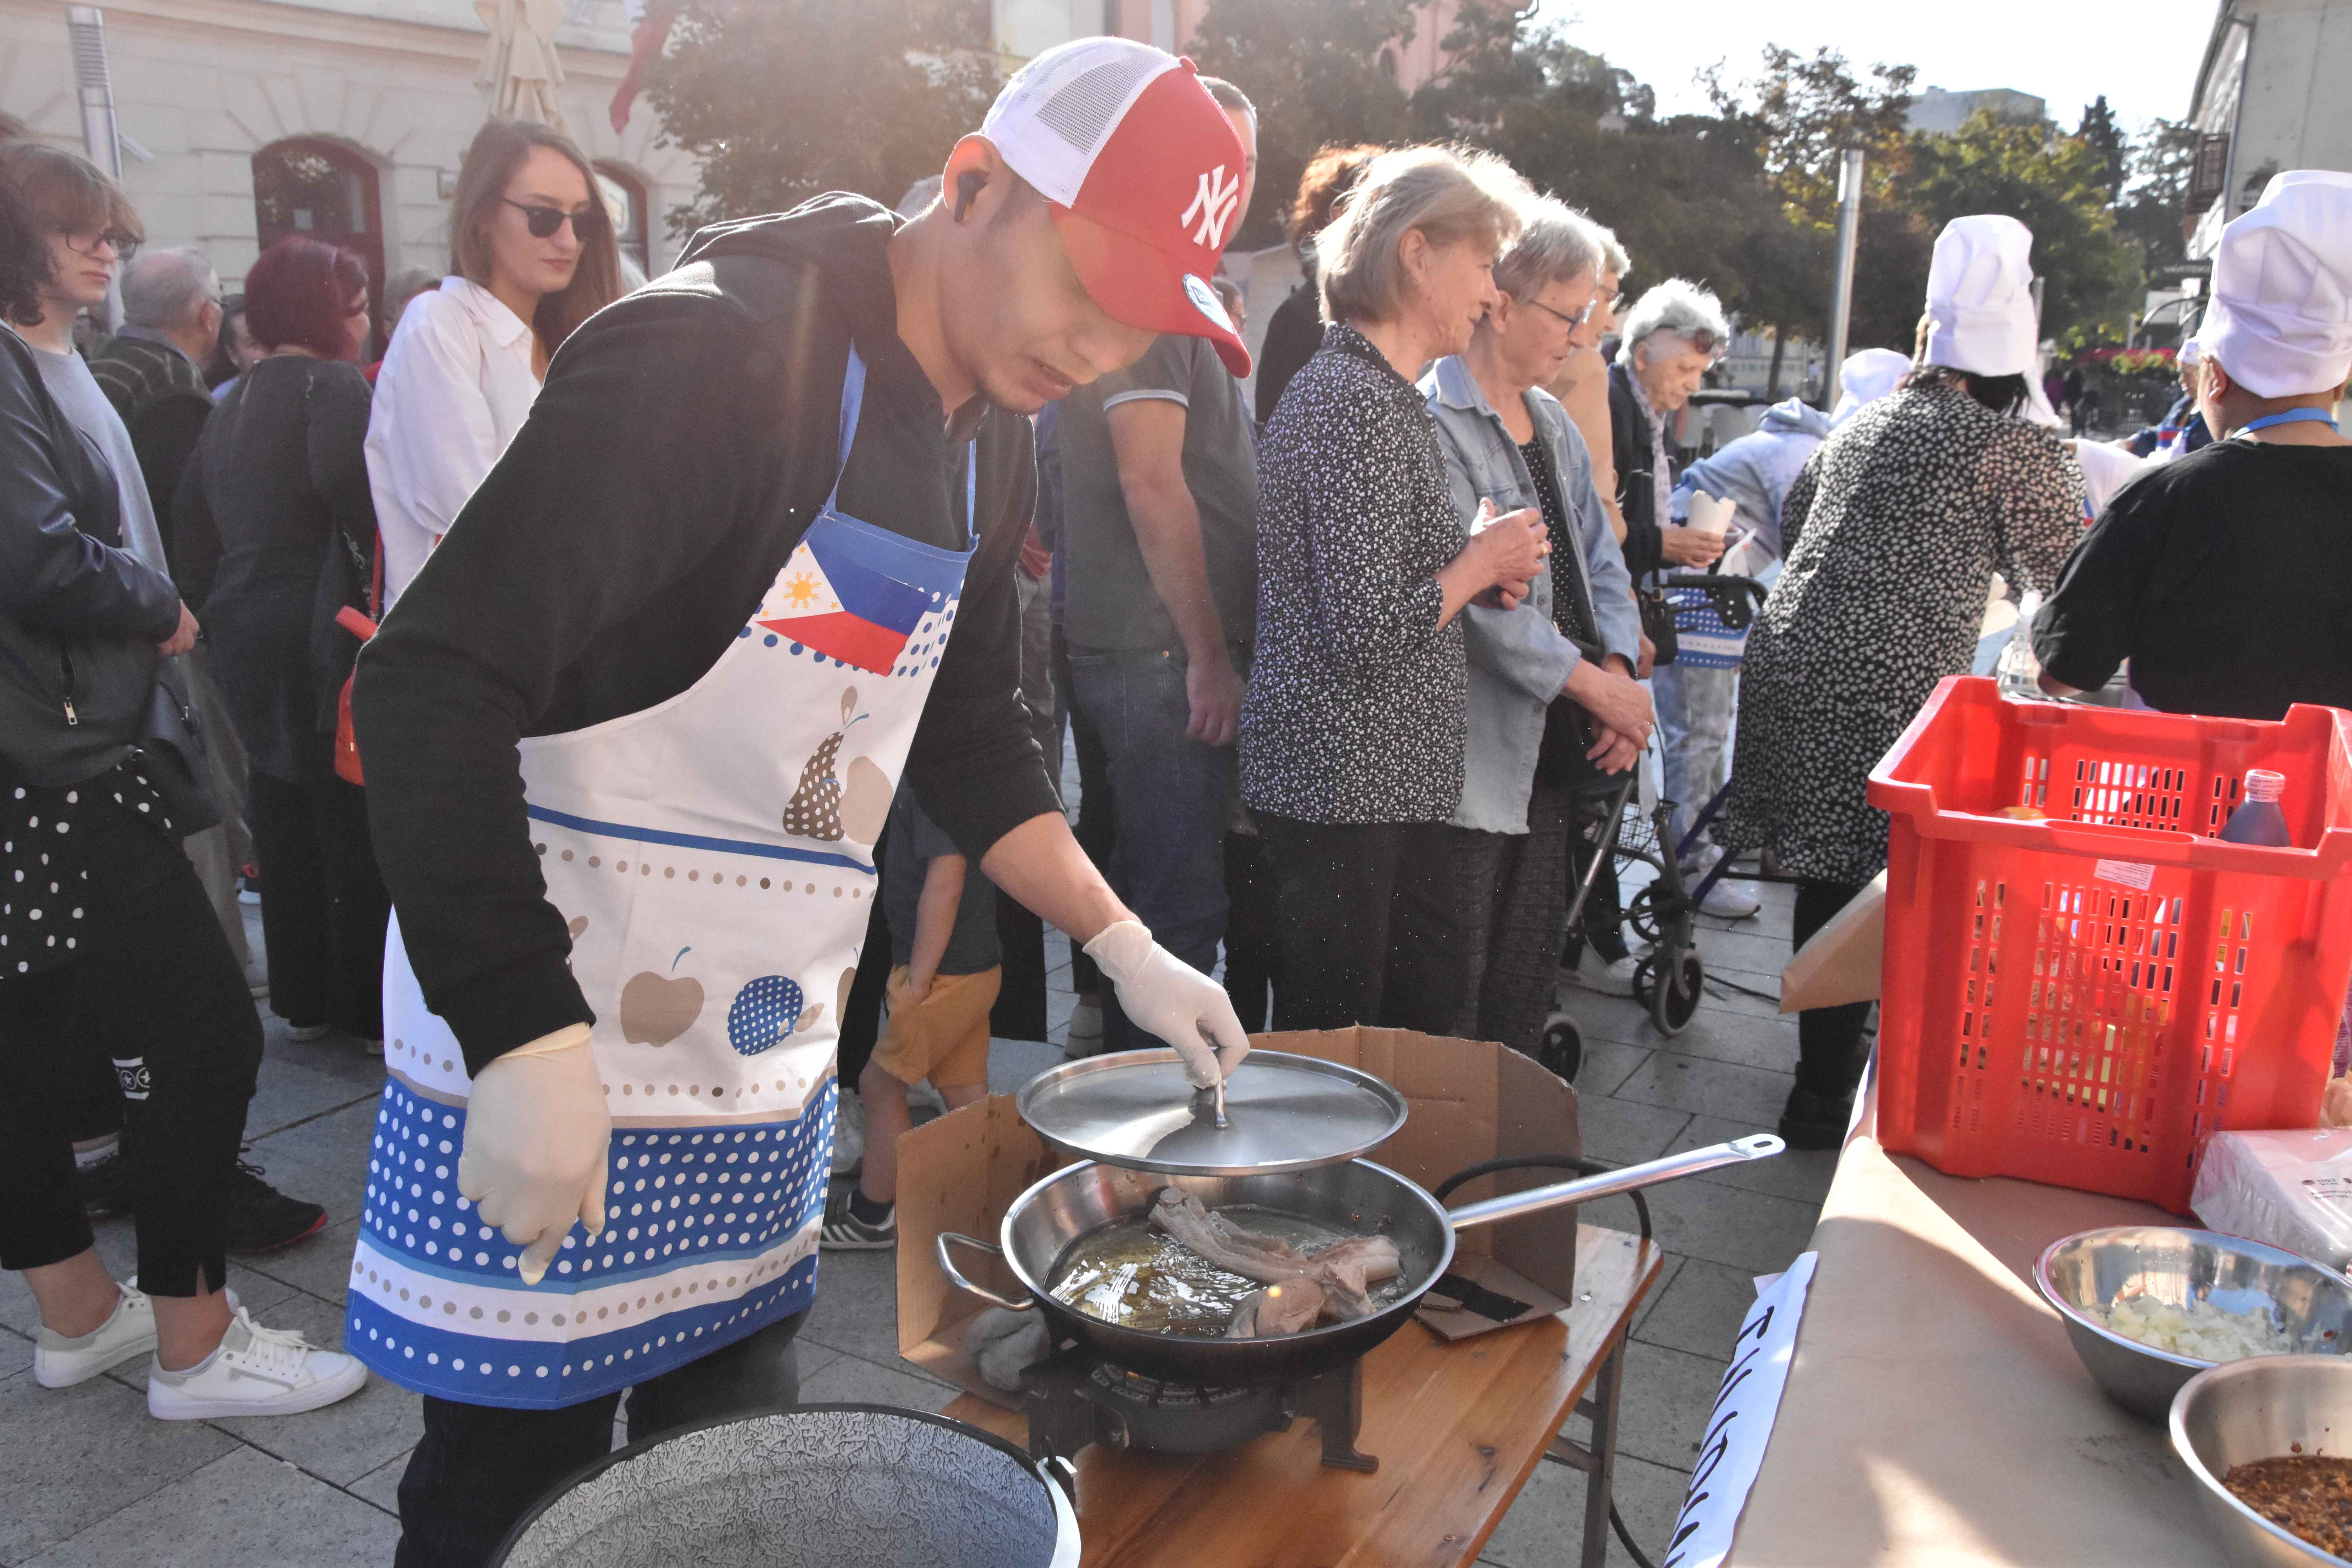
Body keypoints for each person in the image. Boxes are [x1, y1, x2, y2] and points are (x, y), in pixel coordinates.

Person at [347, 38, 1256, 1563]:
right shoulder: (710, 358)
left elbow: (968, 739)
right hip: (547, 1029)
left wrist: (1124, 943)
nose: (1103, 349)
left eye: (1144, 321)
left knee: (729, 1485)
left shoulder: (994, 446)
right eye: (1088, 286)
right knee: (513, 1495)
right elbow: (430, 682)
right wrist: (520, 1035)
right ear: (975, 184)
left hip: (753, 1063)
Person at [0, 165, 366, 1425]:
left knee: (36, 1039)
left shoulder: (52, 364)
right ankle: (196, 1344)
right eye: (73, 227)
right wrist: (157, 605)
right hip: (64, 760)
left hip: (55, 753)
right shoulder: (11, 369)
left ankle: (78, 1315)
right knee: (202, 1031)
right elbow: (34, 553)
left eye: (111, 229)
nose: (104, 246)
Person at [1718, 214, 2085, 1149]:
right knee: (1894, 878)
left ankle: (1819, 1084)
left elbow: (1799, 523)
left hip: (1792, 656)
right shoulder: (2012, 447)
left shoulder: (1862, 423)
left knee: (1832, 874)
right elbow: (2067, 575)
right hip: (1885, 679)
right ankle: (1843, 1091)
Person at [1240, 144, 1548, 1036]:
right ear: (1417, 253)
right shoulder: (1358, 399)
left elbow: (1373, 592)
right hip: (1344, 789)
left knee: (1379, 1036)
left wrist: (1474, 566)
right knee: (1345, 1049)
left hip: (1365, 787)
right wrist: (1477, 563)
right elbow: (1367, 630)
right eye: (1484, 266)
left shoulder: (1369, 391)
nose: (1493, 293)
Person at [1059, 76, 1259, 1055]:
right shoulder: (1150, 288)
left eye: (1249, 162)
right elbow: (1150, 482)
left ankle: (1131, 1085)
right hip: (1156, 653)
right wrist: (1210, 656)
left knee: (1156, 891)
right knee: (1176, 912)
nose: (1236, 181)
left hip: (1152, 646)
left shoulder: (1178, 287)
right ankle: (1155, 1120)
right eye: (1221, 158)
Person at [1421, 198, 1648, 1058]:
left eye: (1588, 316)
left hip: (1553, 742)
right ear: (1503, 302)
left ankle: (1501, 1128)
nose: (1582, 337)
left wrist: (1616, 670)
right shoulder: (1432, 420)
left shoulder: (1550, 420)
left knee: (1523, 980)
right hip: (1474, 753)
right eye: (1567, 313)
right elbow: (1484, 612)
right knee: (1454, 992)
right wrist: (1596, 688)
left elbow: (1602, 563)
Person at [176, 236, 390, 1051]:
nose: (365, 324)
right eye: (358, 307)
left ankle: (303, 997)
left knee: (282, 805)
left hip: (244, 620)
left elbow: (190, 525)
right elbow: (351, 489)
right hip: (320, 623)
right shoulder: (329, 384)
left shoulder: (228, 400)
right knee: (347, 811)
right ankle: (365, 1007)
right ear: (330, 313)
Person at [2035, 170, 2352, 719]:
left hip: (2182, 772)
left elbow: (2063, 673)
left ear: (2215, 378)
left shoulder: (2166, 495)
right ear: (2340, 384)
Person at [1656, 345, 1913, 912]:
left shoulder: (1798, 444)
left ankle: (1697, 853)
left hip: (1709, 597)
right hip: (1699, 599)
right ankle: (1690, 871)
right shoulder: (1805, 455)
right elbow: (1814, 550)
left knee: (1703, 736)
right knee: (1698, 738)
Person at [367, 120, 624, 604]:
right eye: (543, 216)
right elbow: (480, 516)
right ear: (482, 217)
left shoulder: (576, 343)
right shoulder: (438, 323)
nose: (569, 240)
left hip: (569, 631)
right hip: (470, 638)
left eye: (584, 221)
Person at [819, 788, 999, 1250]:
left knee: (880, 1086)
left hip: (942, 975)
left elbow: (946, 881)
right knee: (963, 1089)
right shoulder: (953, 770)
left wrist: (918, 979)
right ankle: (995, 1204)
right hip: (967, 969)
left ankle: (873, 1213)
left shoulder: (935, 778)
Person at [87, 246, 222, 558]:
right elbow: (183, 519)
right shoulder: (175, 387)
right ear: (207, 315)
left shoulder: (102, 362)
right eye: (220, 302)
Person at [1254, 142, 1382, 430]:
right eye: (1379, 211)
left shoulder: (1382, 313)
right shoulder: (1297, 318)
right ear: (1340, 215)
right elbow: (1275, 430)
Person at [2122, 337, 2214, 461]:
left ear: (2204, 374)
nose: (2181, 380)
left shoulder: (2213, 414)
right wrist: (2133, 442)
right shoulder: (2183, 406)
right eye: (2180, 373)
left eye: (2187, 374)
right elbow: (2159, 434)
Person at [204, 292, 259, 397]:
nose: (268, 350)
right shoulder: (223, 400)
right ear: (233, 354)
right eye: (254, 344)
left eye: (268, 339)